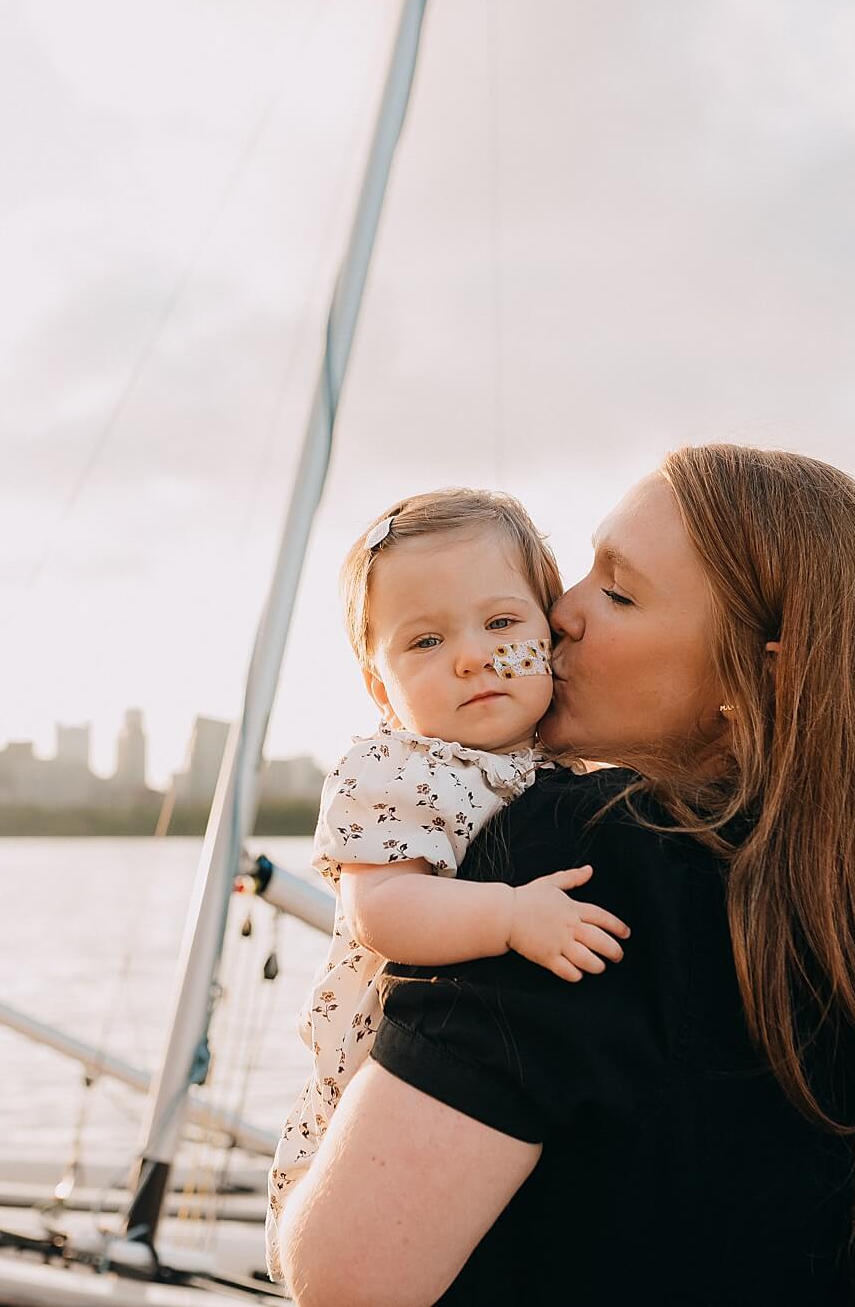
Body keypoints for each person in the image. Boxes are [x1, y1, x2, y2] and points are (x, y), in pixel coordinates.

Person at [277, 445, 855, 1306]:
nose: (561, 612)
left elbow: (345, 1277)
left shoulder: (582, 852)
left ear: (758, 675)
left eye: (616, 592)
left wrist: (293, 1209)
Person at [266, 489, 631, 1282]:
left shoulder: (565, 766)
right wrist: (506, 915)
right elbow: (383, 910)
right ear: (379, 686)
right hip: (382, 1071)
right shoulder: (394, 769)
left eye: (502, 624)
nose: (471, 656)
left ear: (549, 633)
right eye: (425, 641)